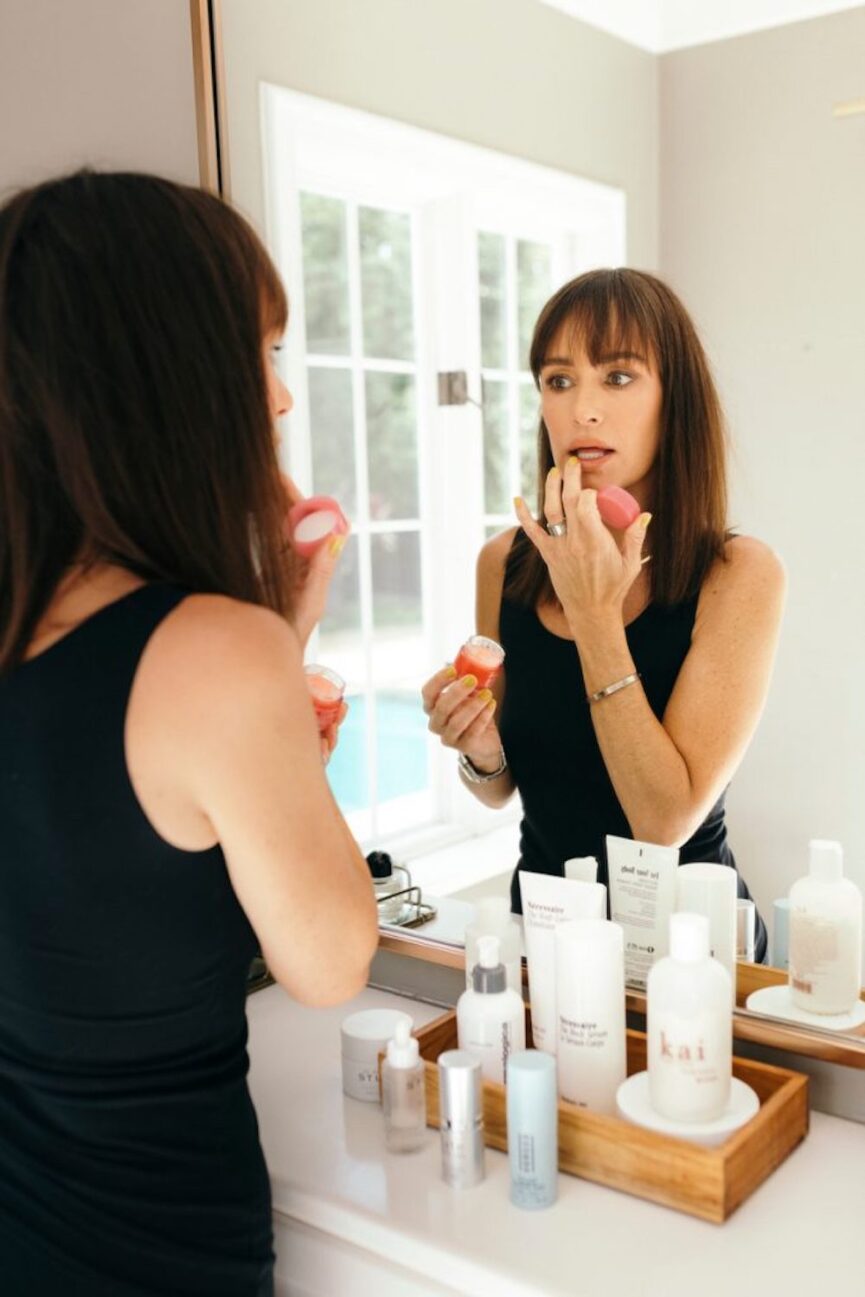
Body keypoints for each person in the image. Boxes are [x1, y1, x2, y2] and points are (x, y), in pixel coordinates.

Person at [0, 171, 379, 1296]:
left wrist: (271, 643)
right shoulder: (214, 652)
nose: (281, 401)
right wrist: (264, 642)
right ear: (168, 378)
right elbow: (329, 960)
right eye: (260, 354)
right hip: (150, 1250)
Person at [422, 268, 785, 960]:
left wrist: (593, 614)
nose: (581, 408)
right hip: (546, 937)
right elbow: (503, 790)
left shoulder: (737, 575)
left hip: (693, 957)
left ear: (672, 400)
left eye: (617, 377)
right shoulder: (503, 562)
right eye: (558, 381)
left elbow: (662, 819)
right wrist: (479, 751)